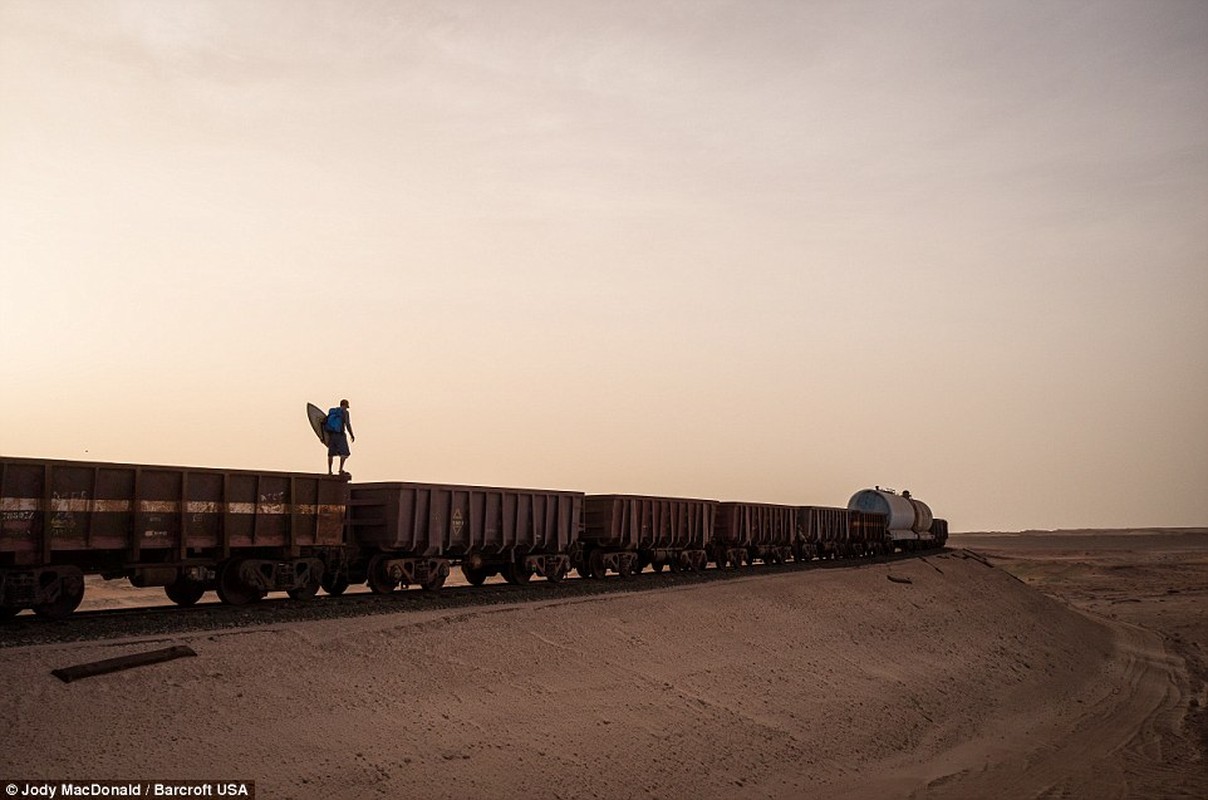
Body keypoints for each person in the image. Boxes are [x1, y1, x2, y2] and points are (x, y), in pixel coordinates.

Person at [324, 399, 355, 475]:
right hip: (340, 434)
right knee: (345, 453)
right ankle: (340, 470)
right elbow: (347, 424)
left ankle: (330, 471)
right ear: (345, 405)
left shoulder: (333, 412)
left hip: (331, 435)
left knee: (330, 454)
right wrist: (351, 434)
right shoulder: (345, 412)